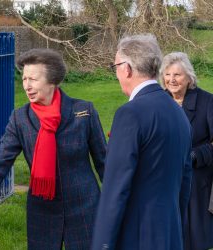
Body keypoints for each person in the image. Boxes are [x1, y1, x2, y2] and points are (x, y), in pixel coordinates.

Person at [0, 48, 106, 250]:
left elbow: (104, 162)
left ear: (52, 80)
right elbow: (1, 162)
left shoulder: (83, 111)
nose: (26, 86)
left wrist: (117, 201)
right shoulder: (20, 118)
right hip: (43, 209)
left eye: (33, 79)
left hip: (85, 205)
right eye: (24, 79)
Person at [91, 34, 193, 250]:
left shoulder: (130, 114)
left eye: (116, 66)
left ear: (126, 68)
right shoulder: (178, 112)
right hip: (170, 235)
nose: (116, 73)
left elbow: (115, 188)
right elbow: (185, 182)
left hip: (136, 237)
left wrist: (102, 244)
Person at [160, 52, 213, 250]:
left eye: (177, 75)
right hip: (164, 181)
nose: (171, 80)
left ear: (189, 77)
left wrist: (194, 156)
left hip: (197, 181)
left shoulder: (208, 102)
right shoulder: (158, 102)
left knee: (195, 240)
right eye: (167, 75)